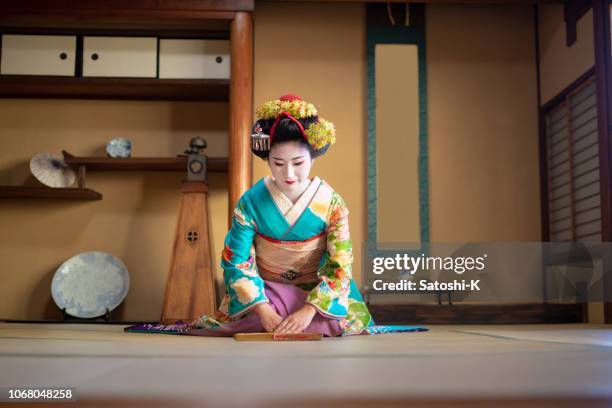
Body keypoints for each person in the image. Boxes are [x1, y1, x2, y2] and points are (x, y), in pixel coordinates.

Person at [177, 94, 426, 338]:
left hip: (316, 291)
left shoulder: (331, 203)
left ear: (312, 158)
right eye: (278, 162)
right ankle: (265, 314)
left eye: (298, 162)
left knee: (337, 321)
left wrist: (308, 310)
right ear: (267, 160)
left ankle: (306, 316)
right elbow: (236, 261)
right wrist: (263, 309)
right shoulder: (251, 202)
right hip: (267, 292)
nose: (288, 173)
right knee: (253, 319)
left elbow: (340, 264)